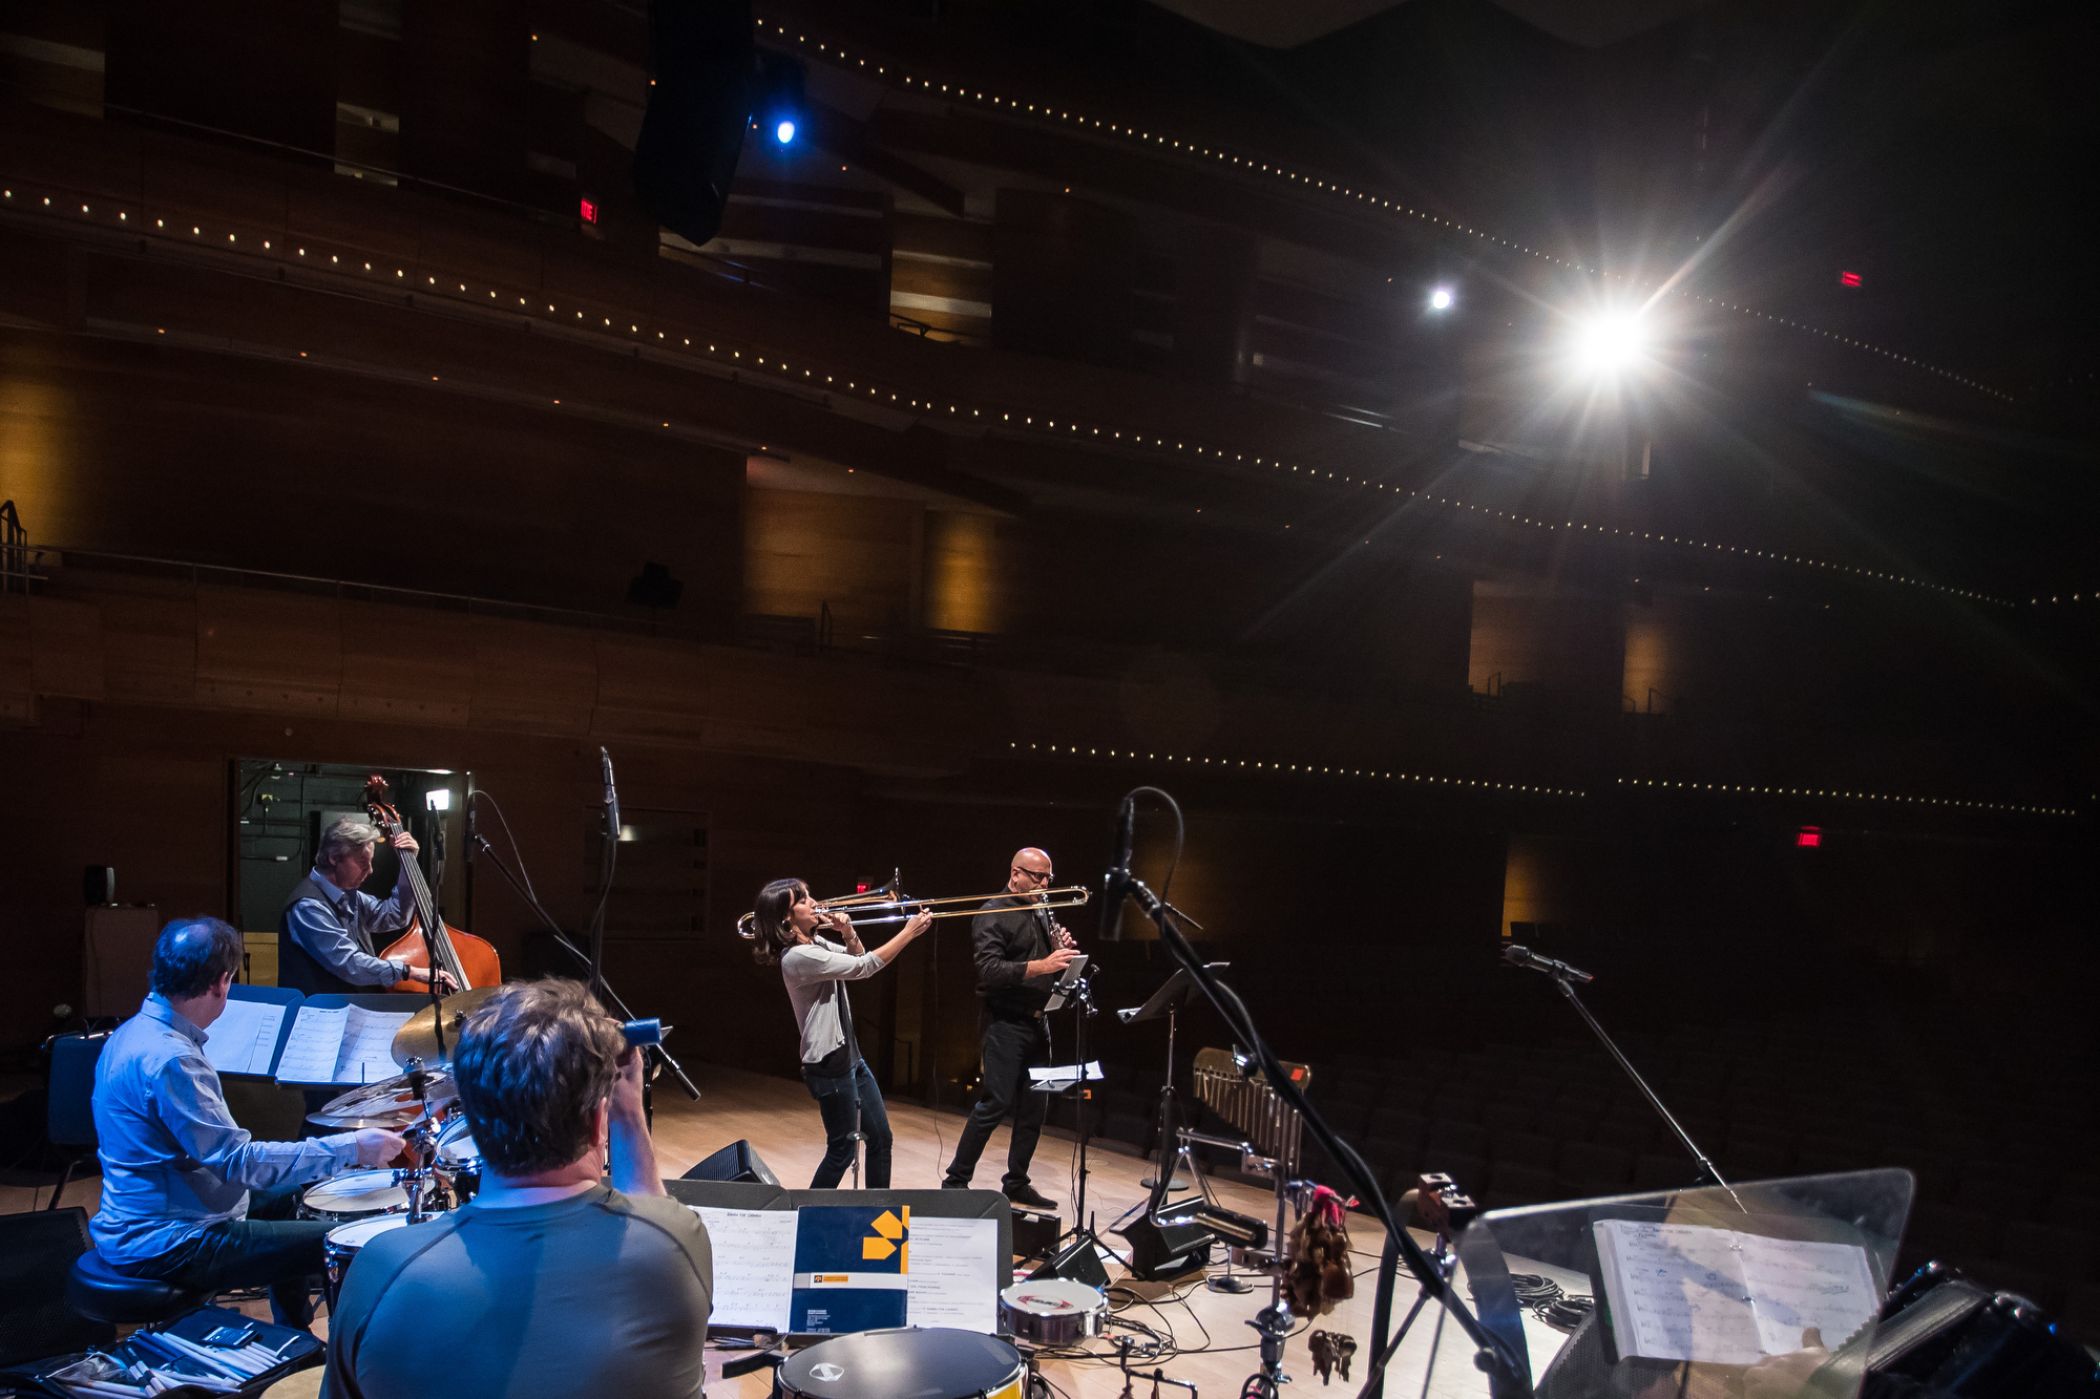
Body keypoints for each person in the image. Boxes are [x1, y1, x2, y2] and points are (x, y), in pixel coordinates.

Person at [325, 979, 712, 1399]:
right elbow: (647, 1214)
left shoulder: (383, 1268)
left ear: (468, 1121)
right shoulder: (675, 1239)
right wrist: (627, 1109)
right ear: (596, 1122)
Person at [89, 917, 405, 1326]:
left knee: (293, 1197)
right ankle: (342, 1367)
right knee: (348, 1242)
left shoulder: (132, 1032)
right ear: (223, 982)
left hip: (155, 1213)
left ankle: (295, 1340)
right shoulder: (173, 1059)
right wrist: (352, 1147)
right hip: (171, 1242)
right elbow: (239, 1163)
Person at [751, 879, 933, 1188]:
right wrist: (908, 932)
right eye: (803, 899)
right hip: (829, 1065)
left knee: (881, 1139)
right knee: (842, 1150)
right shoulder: (797, 957)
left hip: (850, 1058)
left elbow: (856, 956)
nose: (814, 902)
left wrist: (848, 932)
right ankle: (807, 1216)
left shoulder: (813, 945)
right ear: (786, 917)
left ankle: (877, 1214)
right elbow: (866, 966)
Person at [940, 847, 1081, 1208]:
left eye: (1049, 877)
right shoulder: (991, 913)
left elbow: (1048, 963)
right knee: (995, 1102)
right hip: (1004, 1022)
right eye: (1038, 877)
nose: (1045, 884)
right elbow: (990, 971)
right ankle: (955, 1181)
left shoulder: (1041, 908)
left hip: (1039, 1020)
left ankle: (1016, 1181)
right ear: (1015, 873)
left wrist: (1060, 950)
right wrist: (1042, 964)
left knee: (1035, 1106)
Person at [280, 817, 456, 996]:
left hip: (351, 1007)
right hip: (319, 1015)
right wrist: (411, 971)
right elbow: (349, 964)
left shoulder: (352, 896)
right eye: (363, 863)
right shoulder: (308, 906)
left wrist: (407, 863)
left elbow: (396, 915)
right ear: (334, 858)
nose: (370, 870)